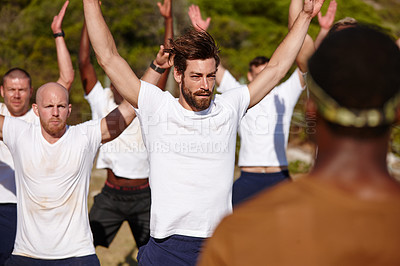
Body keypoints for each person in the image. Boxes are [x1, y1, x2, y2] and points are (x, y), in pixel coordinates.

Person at [83, 0, 326, 264]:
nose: (205, 85)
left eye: (210, 76)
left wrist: (304, 16)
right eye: (196, 76)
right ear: (178, 75)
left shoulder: (229, 106)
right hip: (167, 247)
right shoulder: (157, 106)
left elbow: (277, 68)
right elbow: (108, 57)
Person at [197, 24, 400, 266]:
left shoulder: (237, 233)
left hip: (276, 178)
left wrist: (306, 17)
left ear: (311, 111)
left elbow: (303, 65)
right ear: (397, 114)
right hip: (250, 178)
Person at [188, 2, 336, 206]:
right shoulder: (241, 94)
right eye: (258, 75)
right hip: (249, 176)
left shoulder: (285, 92)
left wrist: (323, 31)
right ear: (250, 76)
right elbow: (215, 70)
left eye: (267, 74)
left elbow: (309, 63)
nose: (265, 80)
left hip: (279, 177)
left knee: (288, 235)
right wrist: (202, 35)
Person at [1, 81, 137, 265]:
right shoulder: (20, 133)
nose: (55, 112)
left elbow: (128, 111)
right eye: (48, 106)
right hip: (27, 255)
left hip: (77, 255)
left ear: (69, 109)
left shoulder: (84, 136)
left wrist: (158, 68)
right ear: (36, 109)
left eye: (61, 106)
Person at [78, 0, 173, 250]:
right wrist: (91, 15)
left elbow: (166, 59)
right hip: (110, 193)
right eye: (114, 80)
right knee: (84, 246)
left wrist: (168, 19)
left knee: (157, 251)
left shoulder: (145, 99)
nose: (117, 83)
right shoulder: (102, 101)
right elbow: (85, 62)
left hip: (145, 195)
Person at [0, 1, 74, 265]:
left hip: (26, 207)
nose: (16, 94)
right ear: (2, 91)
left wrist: (58, 34)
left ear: (31, 94)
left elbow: (66, 78)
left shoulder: (39, 116)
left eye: (22, 89)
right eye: (11, 89)